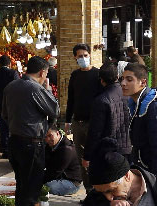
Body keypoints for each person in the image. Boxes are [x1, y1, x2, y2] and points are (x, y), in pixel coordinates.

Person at [2, 55, 59, 206]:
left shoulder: (11, 87)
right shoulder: (34, 88)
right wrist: (47, 88)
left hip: (15, 141)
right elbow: (55, 110)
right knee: (31, 185)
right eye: (46, 74)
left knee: (22, 183)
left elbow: (4, 114)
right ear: (43, 72)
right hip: (31, 143)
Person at [121, 62, 157, 181]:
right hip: (146, 170)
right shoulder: (136, 104)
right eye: (122, 79)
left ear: (143, 82)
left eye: (129, 79)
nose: (123, 83)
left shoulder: (155, 107)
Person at [65, 43, 102, 186]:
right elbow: (71, 99)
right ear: (75, 57)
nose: (83, 58)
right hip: (78, 122)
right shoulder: (75, 75)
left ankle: (98, 188)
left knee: (94, 157)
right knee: (81, 159)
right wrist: (68, 121)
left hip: (93, 123)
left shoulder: (97, 75)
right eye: (80, 56)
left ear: (90, 55)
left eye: (85, 55)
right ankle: (88, 190)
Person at [84, 63, 131, 168]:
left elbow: (95, 131)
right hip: (128, 147)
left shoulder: (101, 100)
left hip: (109, 150)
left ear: (101, 80)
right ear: (118, 77)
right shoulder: (129, 95)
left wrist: (87, 155)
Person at [0, 55, 18, 152]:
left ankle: (5, 147)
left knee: (3, 128)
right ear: (9, 64)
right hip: (12, 105)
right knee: (13, 127)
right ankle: (12, 148)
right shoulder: (13, 74)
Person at [43, 126, 82, 195]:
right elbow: (44, 163)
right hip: (58, 177)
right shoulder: (50, 146)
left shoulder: (67, 149)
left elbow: (55, 172)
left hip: (71, 182)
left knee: (47, 187)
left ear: (57, 133)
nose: (48, 139)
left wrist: (38, 181)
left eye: (50, 136)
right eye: (46, 137)